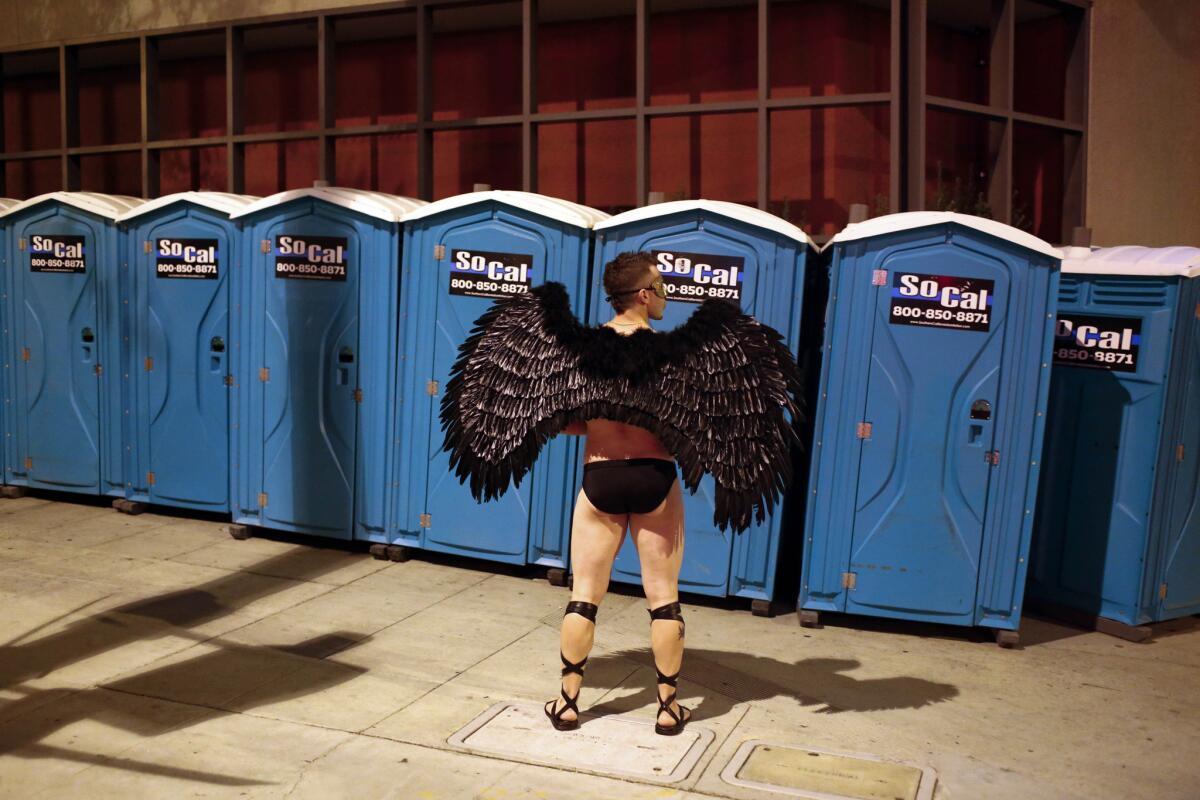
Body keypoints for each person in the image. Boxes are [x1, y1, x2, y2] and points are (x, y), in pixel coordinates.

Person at [543, 251, 692, 736]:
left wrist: (602, 425)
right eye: (662, 283)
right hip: (655, 477)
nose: (667, 291)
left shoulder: (586, 351)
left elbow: (564, 419)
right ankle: (668, 710)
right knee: (663, 598)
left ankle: (568, 704)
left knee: (584, 595)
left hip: (601, 475)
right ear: (644, 294)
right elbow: (688, 427)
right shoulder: (673, 353)